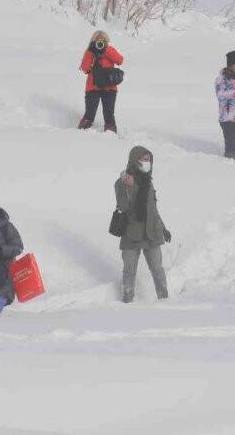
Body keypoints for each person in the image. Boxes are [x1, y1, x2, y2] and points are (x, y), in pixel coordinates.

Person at [114, 145, 170, 303]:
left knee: (158, 269)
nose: (147, 162)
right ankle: (127, 301)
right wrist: (128, 186)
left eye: (149, 159)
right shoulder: (121, 183)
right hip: (131, 234)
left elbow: (153, 209)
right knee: (129, 271)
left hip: (152, 233)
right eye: (144, 159)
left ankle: (164, 300)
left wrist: (163, 229)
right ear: (134, 160)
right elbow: (124, 207)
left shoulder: (148, 181)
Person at [78, 30, 124, 133]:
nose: (100, 43)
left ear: (106, 41)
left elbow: (120, 60)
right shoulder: (90, 51)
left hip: (110, 88)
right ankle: (80, 134)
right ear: (93, 41)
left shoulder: (110, 49)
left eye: (103, 40)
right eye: (98, 40)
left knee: (109, 115)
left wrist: (106, 50)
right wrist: (90, 52)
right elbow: (85, 69)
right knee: (89, 114)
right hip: (93, 87)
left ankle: (111, 137)